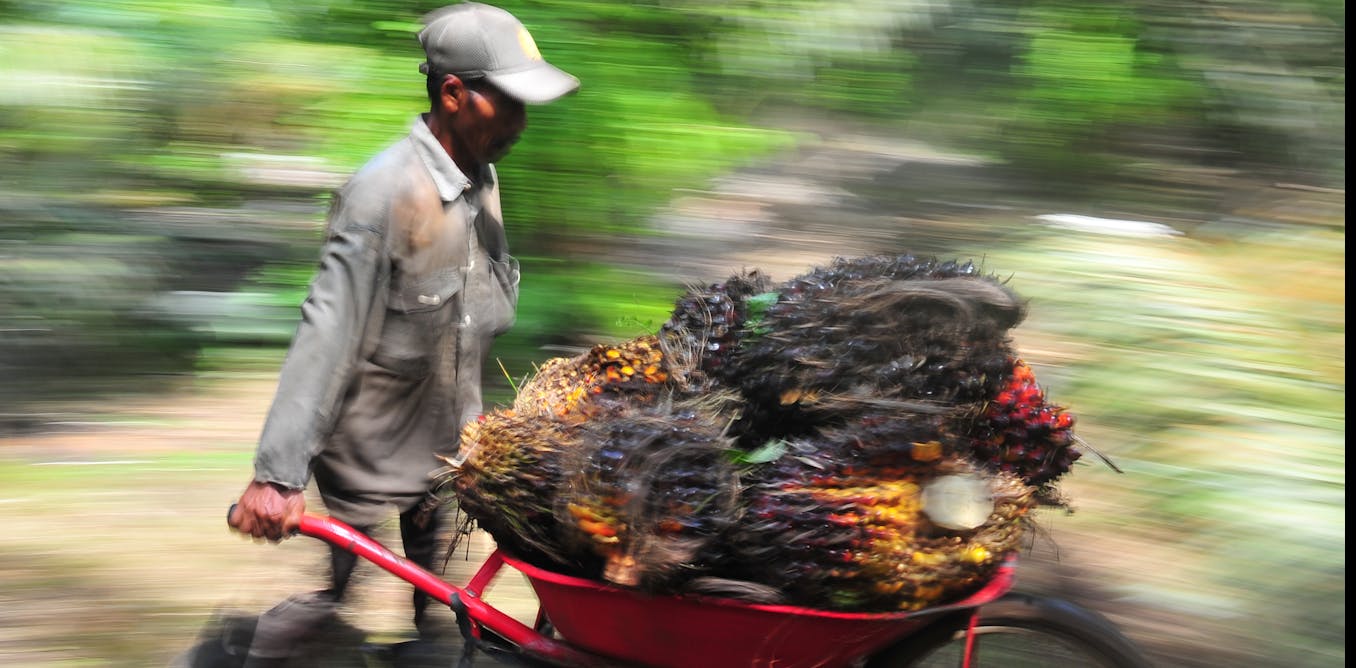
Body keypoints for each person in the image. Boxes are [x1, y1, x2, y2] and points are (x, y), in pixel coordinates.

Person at [224, 3, 578, 665]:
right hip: (369, 448)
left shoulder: (482, 179)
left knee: (439, 608)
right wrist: (277, 475)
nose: (523, 123)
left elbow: (475, 307)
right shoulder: (382, 194)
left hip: (442, 442)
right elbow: (326, 334)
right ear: (453, 94)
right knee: (337, 602)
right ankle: (245, 654)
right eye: (510, 103)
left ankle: (423, 645)